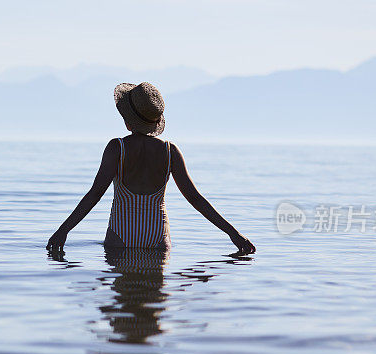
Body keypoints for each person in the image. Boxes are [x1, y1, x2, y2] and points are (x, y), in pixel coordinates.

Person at [46, 82, 255, 255]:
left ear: (128, 121)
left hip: (120, 236)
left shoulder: (117, 148)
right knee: (156, 303)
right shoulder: (169, 151)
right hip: (157, 238)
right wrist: (234, 234)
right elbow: (196, 199)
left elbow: (94, 195)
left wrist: (63, 231)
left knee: (119, 301)